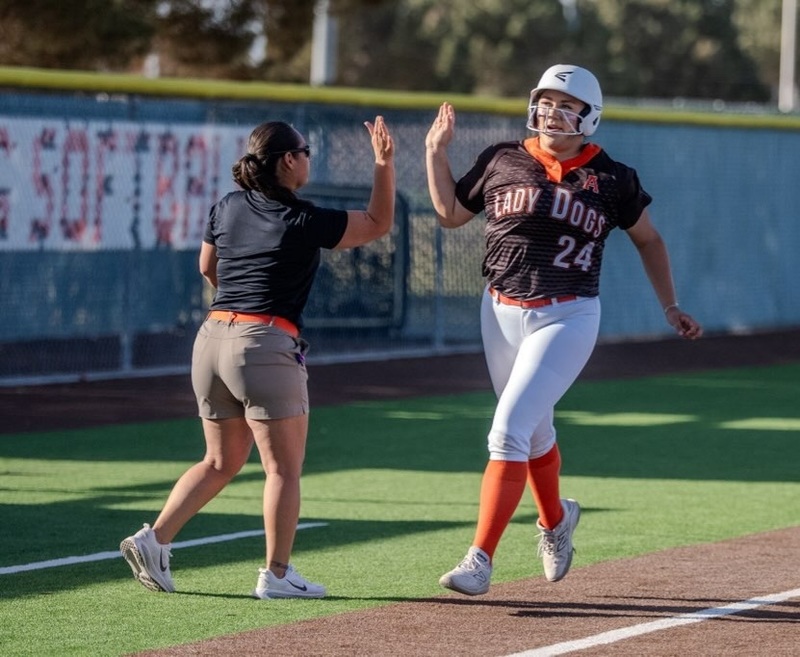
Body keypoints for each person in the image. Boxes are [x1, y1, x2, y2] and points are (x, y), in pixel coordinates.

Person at [425, 64, 702, 596]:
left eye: (565, 103)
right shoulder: (503, 157)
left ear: (589, 116)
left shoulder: (615, 177)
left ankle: (480, 559)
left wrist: (671, 306)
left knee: (507, 429)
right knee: (532, 431)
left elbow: (649, 240)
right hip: (499, 308)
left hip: (568, 313)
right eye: (546, 100)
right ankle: (556, 521)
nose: (552, 111)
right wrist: (436, 152)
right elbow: (449, 215)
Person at [121, 116, 395, 599]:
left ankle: (155, 538)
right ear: (288, 160)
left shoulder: (226, 206)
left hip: (211, 339)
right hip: (263, 344)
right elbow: (377, 223)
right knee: (282, 470)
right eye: (305, 151)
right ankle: (277, 574)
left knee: (220, 460)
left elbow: (208, 266)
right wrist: (383, 163)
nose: (309, 157)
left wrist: (234, 309)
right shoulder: (301, 218)